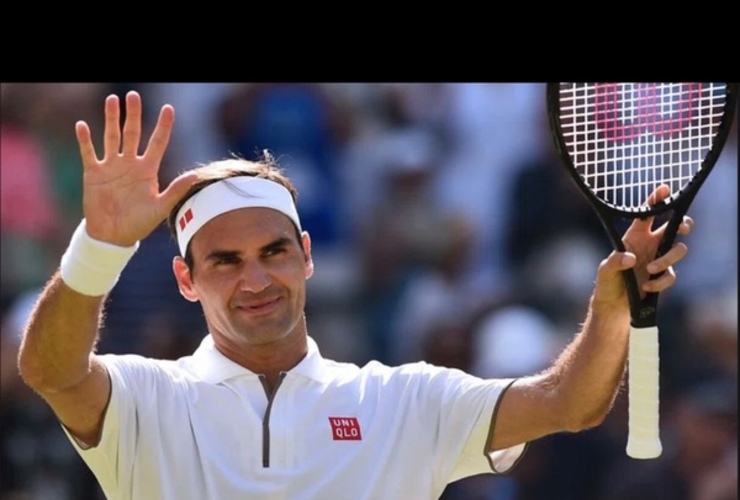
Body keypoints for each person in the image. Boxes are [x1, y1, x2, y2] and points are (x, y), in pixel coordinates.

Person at [17, 90, 693, 500]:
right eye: (225, 262)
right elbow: (48, 370)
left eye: (274, 252)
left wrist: (609, 312)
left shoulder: (404, 400)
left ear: (306, 258)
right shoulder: (145, 399)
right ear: (186, 281)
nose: (255, 280)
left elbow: (569, 404)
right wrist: (99, 247)